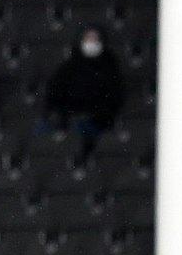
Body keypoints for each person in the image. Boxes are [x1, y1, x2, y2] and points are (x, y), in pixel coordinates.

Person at [44, 26, 123, 161]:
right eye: (88, 39)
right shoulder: (70, 65)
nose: (91, 43)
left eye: (94, 39)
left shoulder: (110, 67)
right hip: (72, 109)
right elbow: (55, 87)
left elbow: (116, 94)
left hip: (98, 113)